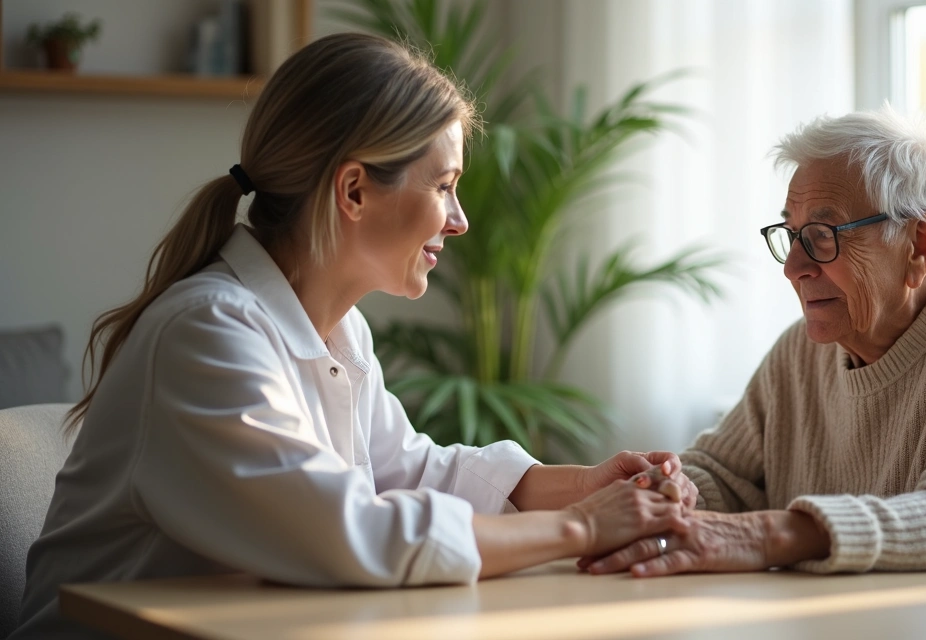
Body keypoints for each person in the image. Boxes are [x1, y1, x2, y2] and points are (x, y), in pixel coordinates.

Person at [12, 33, 695, 639]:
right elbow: (350, 534)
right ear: (354, 191)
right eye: (444, 186)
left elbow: (411, 470)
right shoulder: (206, 332)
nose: (459, 220)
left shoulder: (339, 330)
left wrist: (582, 485)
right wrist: (585, 525)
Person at [581, 107, 926, 578]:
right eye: (791, 233)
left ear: (919, 244)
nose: (793, 267)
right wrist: (673, 491)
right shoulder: (801, 353)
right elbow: (721, 475)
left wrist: (763, 535)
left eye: (823, 234)